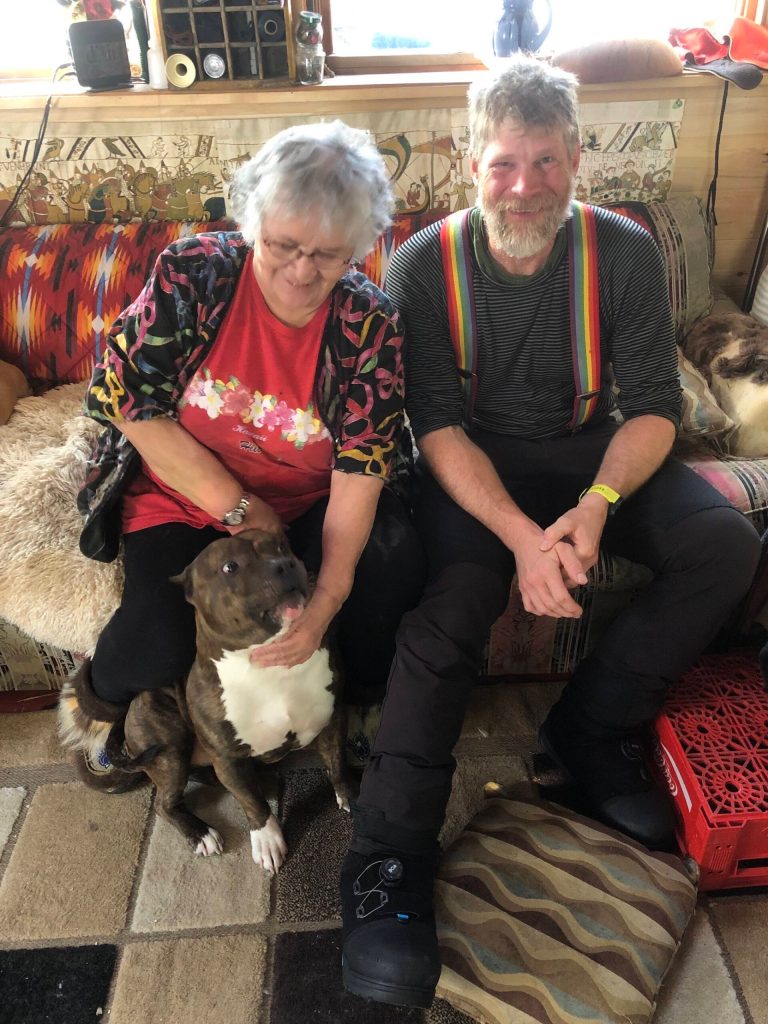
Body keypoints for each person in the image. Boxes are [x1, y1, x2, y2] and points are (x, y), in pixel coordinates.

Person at [339, 57, 762, 1009]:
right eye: (502, 164)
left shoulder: (622, 254)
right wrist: (524, 539)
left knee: (725, 546)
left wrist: (596, 507)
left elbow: (653, 406)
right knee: (450, 613)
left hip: (590, 453)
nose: (523, 185)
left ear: (578, 158)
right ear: (467, 162)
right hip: (474, 467)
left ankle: (594, 724)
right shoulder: (420, 265)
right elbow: (435, 426)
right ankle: (387, 857)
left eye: (543, 160)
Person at [70, 120, 425, 790]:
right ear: (252, 220)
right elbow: (123, 395)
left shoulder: (369, 324)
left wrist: (325, 601)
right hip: (180, 495)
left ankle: (360, 711)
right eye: (283, 244)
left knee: (391, 564)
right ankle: (96, 708)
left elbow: (362, 466)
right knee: (159, 637)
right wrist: (240, 505)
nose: (301, 271)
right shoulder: (193, 275)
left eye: (327, 255)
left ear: (358, 246)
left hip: (310, 505)